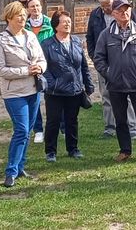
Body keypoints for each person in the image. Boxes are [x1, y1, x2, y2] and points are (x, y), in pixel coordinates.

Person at [94, 0, 136, 164]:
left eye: (127, 10)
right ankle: (125, 150)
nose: (125, 13)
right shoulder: (106, 35)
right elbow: (99, 58)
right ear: (114, 13)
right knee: (120, 119)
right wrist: (109, 73)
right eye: (120, 11)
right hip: (116, 85)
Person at [0, 1, 46, 187]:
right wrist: (26, 71)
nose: (23, 18)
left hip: (33, 90)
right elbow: (0, 70)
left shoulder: (30, 36)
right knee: (21, 130)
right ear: (9, 18)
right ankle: (11, 172)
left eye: (24, 15)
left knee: (28, 131)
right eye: (19, 15)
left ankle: (20, 166)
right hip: (14, 93)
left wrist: (40, 67)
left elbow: (41, 59)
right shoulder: (0, 40)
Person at [40, 11, 95, 162]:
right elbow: (44, 68)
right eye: (64, 22)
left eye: (69, 21)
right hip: (55, 92)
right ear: (56, 25)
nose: (68, 24)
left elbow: (83, 65)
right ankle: (50, 151)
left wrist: (88, 84)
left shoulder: (76, 41)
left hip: (74, 90)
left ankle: (73, 148)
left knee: (72, 120)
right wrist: (53, 84)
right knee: (53, 121)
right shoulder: (47, 44)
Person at [86, 0, 136, 139]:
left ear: (113, 0)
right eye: (103, 5)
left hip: (125, 63)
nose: (106, 8)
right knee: (106, 96)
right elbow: (90, 38)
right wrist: (95, 58)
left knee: (127, 96)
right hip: (104, 64)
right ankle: (110, 128)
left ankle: (132, 129)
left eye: (108, 4)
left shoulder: (126, 13)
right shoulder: (95, 15)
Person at [26, 0, 54, 144]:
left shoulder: (50, 23)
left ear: (41, 7)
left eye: (37, 6)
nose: (35, 9)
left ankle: (56, 126)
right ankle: (38, 130)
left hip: (49, 65)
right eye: (32, 6)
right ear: (28, 9)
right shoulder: (24, 26)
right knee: (35, 100)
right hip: (32, 66)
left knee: (53, 98)